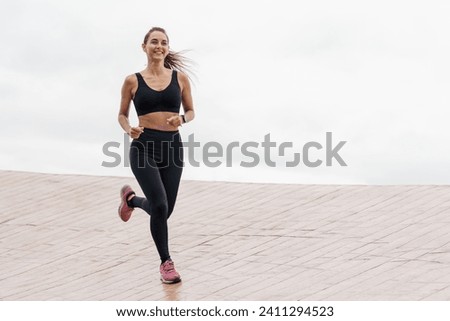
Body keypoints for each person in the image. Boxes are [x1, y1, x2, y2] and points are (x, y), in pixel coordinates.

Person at [117, 27, 195, 284]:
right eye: (154, 42)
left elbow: (192, 111)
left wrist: (182, 118)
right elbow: (121, 114)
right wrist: (130, 129)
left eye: (163, 42)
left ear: (167, 48)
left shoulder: (180, 78)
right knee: (159, 205)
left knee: (164, 210)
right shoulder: (132, 80)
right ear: (144, 46)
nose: (159, 46)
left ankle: (131, 201)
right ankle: (166, 263)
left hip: (172, 147)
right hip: (144, 146)